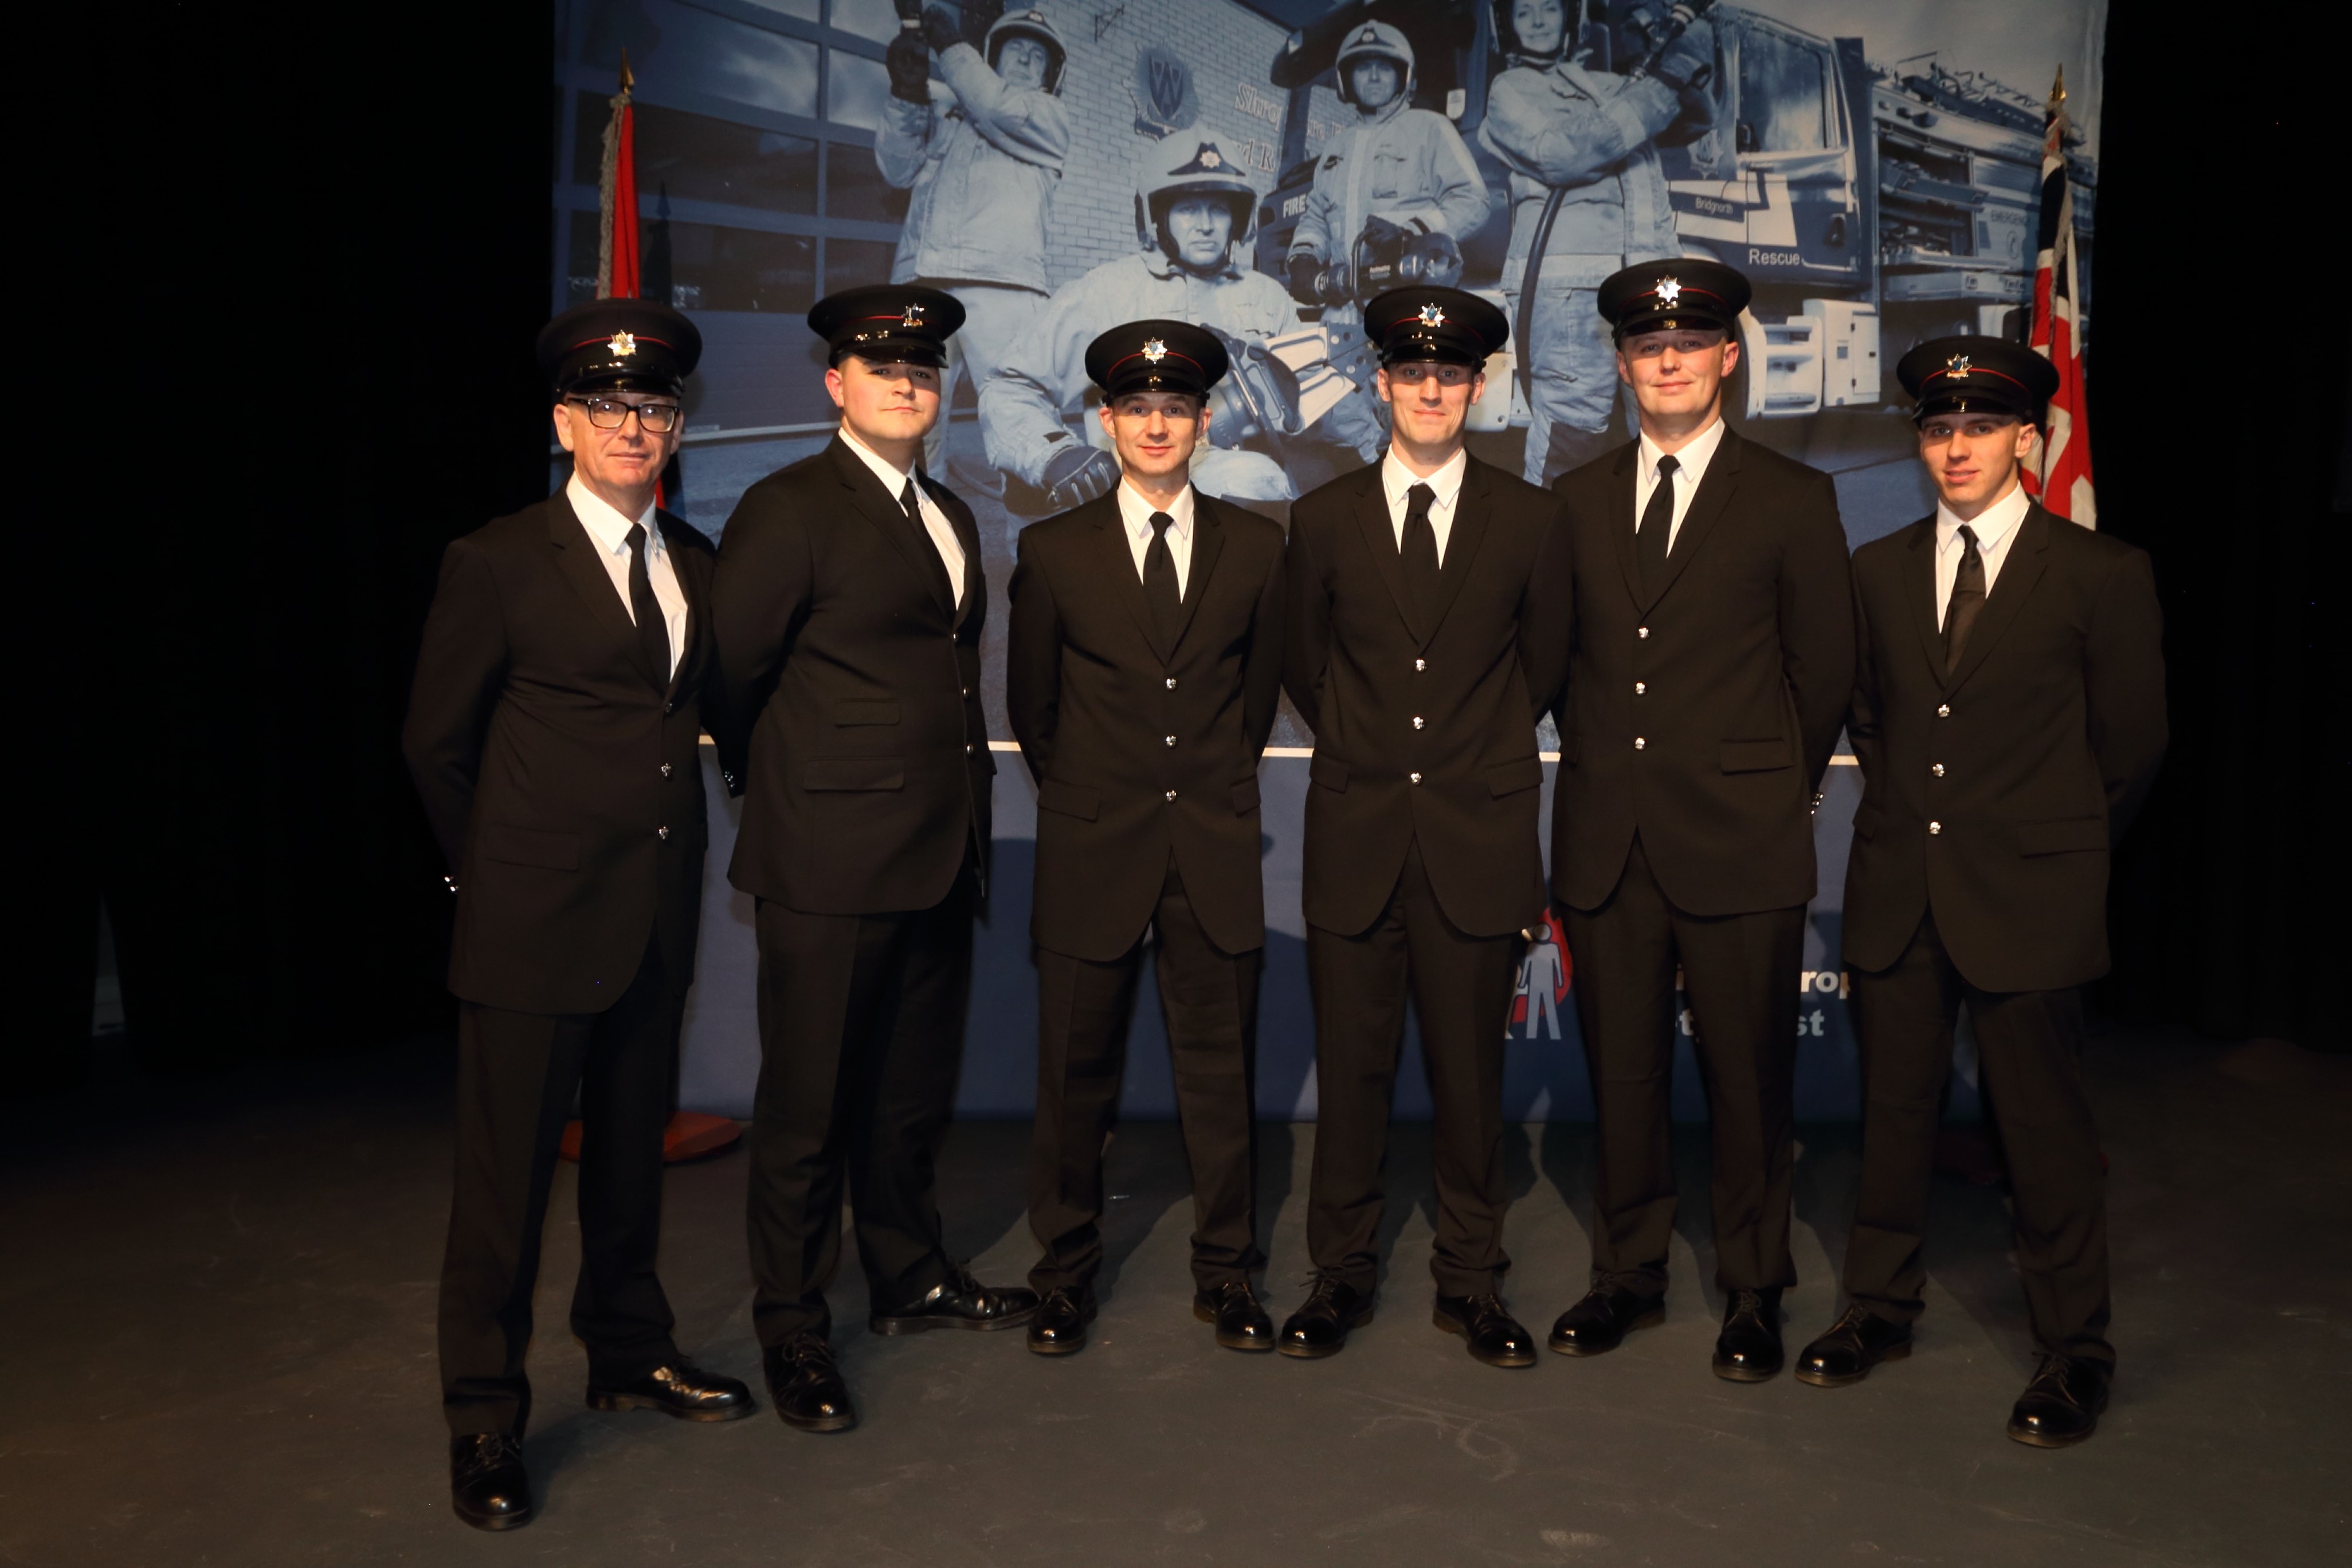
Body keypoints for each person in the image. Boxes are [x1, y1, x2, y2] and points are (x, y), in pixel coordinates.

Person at [403, 299, 753, 1531]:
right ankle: (484, 1418)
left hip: (654, 923)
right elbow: (436, 746)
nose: (633, 427)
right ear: (564, 421)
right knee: (501, 1197)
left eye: (653, 409)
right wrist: (490, 881)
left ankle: (626, 1352)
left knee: (627, 1169)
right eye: (608, 407)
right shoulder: (498, 560)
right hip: (530, 932)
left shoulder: (697, 563)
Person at [1796, 337, 2166, 1448]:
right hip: (1902, 891)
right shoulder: (1880, 569)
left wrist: (2048, 849)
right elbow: (1874, 720)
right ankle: (1879, 1306)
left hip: (2030, 900)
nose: (1955, 447)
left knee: (2043, 1135)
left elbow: (2133, 748)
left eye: (1978, 428)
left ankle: (2074, 1352)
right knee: (1894, 1117)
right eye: (1938, 429)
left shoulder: (2103, 575)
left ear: (2027, 438)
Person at [711, 285, 1038, 1437]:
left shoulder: (947, 510)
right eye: (883, 368)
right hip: (828, 860)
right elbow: (733, 678)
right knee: (808, 1110)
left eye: (924, 371)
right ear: (836, 384)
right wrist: (804, 791)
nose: (908, 385)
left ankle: (909, 1275)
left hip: (937, 855)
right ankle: (793, 1328)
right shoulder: (786, 507)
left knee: (906, 1098)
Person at [1542, 260, 1853, 1383]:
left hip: (1739, 843)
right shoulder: (1572, 503)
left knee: (1748, 1080)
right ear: (1625, 366)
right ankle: (1625, 1275)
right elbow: (1556, 666)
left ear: (1728, 356)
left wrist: (1764, 792)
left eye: (1688, 343)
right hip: (1608, 844)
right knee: (1621, 1076)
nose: (1666, 360)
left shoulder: (1791, 499)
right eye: (1645, 346)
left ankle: (1754, 1290)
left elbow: (1824, 676)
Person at [1279, 287, 1569, 1368]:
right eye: (1411, 374)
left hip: (1473, 839)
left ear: (1477, 386)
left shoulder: (1534, 521)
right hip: (1357, 836)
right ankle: (1338, 1277)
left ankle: (1471, 1282)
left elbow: (1537, 668)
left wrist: (1461, 750)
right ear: (1381, 384)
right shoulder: (1319, 519)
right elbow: (1302, 665)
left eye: (1450, 375)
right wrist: (1374, 750)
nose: (1432, 390)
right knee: (1350, 1077)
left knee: (1467, 1081)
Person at [1006, 320, 1288, 1357]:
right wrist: (1097, 798)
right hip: (1092, 849)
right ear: (1106, 420)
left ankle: (1228, 1272)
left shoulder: (1258, 548)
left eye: (1175, 407)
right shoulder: (1050, 551)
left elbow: (1253, 708)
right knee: (1071, 1081)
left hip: (1209, 850)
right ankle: (1062, 1276)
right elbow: (1034, 712)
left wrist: (1193, 793)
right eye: (1136, 407)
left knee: (1218, 1083)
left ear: (1203, 422)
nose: (1157, 423)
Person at [979, 136, 1306, 511]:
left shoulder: (1268, 297)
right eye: (1188, 209)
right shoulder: (1108, 293)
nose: (1205, 226)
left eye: (1218, 209)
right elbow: (1010, 385)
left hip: (1258, 473)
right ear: (1158, 217)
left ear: (1238, 218)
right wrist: (1054, 454)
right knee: (1253, 481)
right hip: (1139, 486)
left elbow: (1319, 398)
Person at [1478, 0, 1719, 485]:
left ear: (1572, 19)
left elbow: (1697, 116)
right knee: (1574, 434)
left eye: (1551, 8)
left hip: (1651, 280)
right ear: (1507, 28)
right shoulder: (1511, 90)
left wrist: (1680, 43)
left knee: (1666, 428)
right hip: (1569, 292)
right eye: (1526, 14)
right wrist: (1660, 85)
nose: (1541, 20)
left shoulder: (1615, 85)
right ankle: (1548, 554)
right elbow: (1564, 154)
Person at [878, 5, 1071, 484]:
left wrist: (950, 48)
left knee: (1018, 420)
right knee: (912, 423)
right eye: (1014, 50)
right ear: (993, 57)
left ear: (1050, 77)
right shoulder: (948, 111)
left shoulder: (1047, 117)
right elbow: (896, 170)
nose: (1026, 62)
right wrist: (905, 97)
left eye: (1037, 57)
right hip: (923, 286)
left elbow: (997, 105)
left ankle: (1030, 549)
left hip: (1003, 289)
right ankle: (921, 539)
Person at [1283, 20, 1489, 461]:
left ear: (1404, 76)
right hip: (1344, 309)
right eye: (1362, 68)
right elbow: (1317, 215)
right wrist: (1304, 257)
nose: (1373, 77)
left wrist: (1415, 230)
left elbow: (1473, 200)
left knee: (1416, 414)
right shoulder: (1336, 149)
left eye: (1384, 67)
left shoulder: (1430, 129)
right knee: (1342, 422)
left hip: (1411, 302)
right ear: (1345, 81)